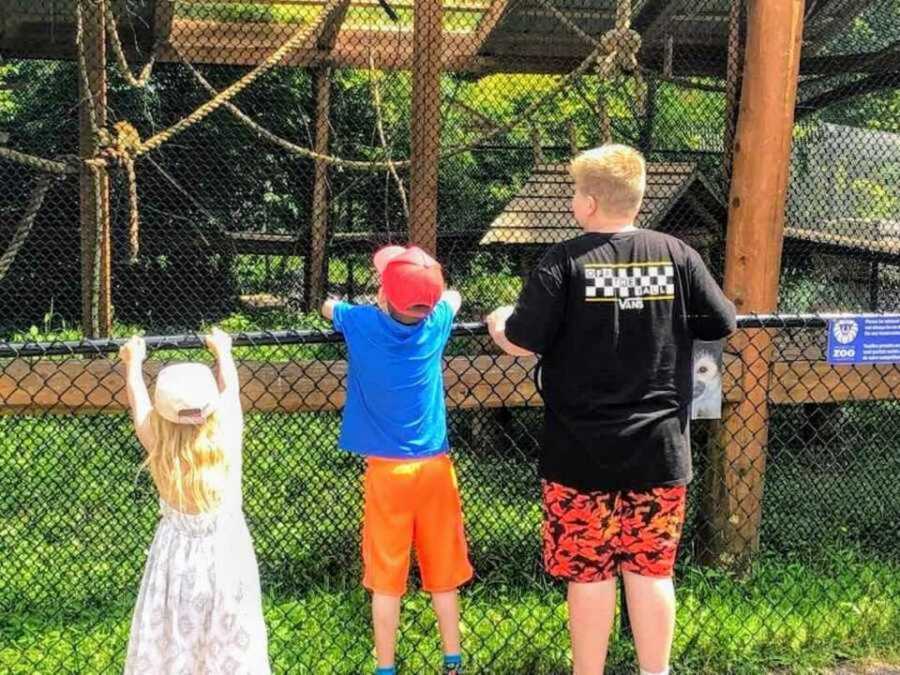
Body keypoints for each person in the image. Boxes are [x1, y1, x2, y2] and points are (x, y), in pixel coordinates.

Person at [486, 144, 736, 675]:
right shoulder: (677, 254)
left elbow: (522, 339)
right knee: (651, 570)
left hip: (579, 455)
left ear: (591, 204)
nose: (574, 200)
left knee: (589, 573)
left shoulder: (565, 262)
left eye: (576, 192)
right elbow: (721, 323)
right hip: (659, 450)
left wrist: (497, 322)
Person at [321, 245, 473, 675]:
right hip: (435, 469)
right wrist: (430, 296)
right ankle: (452, 661)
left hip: (387, 475)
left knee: (387, 576)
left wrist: (366, 302)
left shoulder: (363, 322)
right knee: (442, 570)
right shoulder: (436, 323)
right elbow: (453, 298)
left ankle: (385, 667)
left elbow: (327, 306)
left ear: (383, 296)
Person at [120, 328, 270, 674]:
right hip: (225, 560)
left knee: (174, 643)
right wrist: (223, 352)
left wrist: (133, 363)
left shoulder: (158, 444)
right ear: (211, 408)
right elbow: (230, 392)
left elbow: (138, 401)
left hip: (175, 566)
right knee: (227, 645)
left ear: (163, 415)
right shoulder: (227, 435)